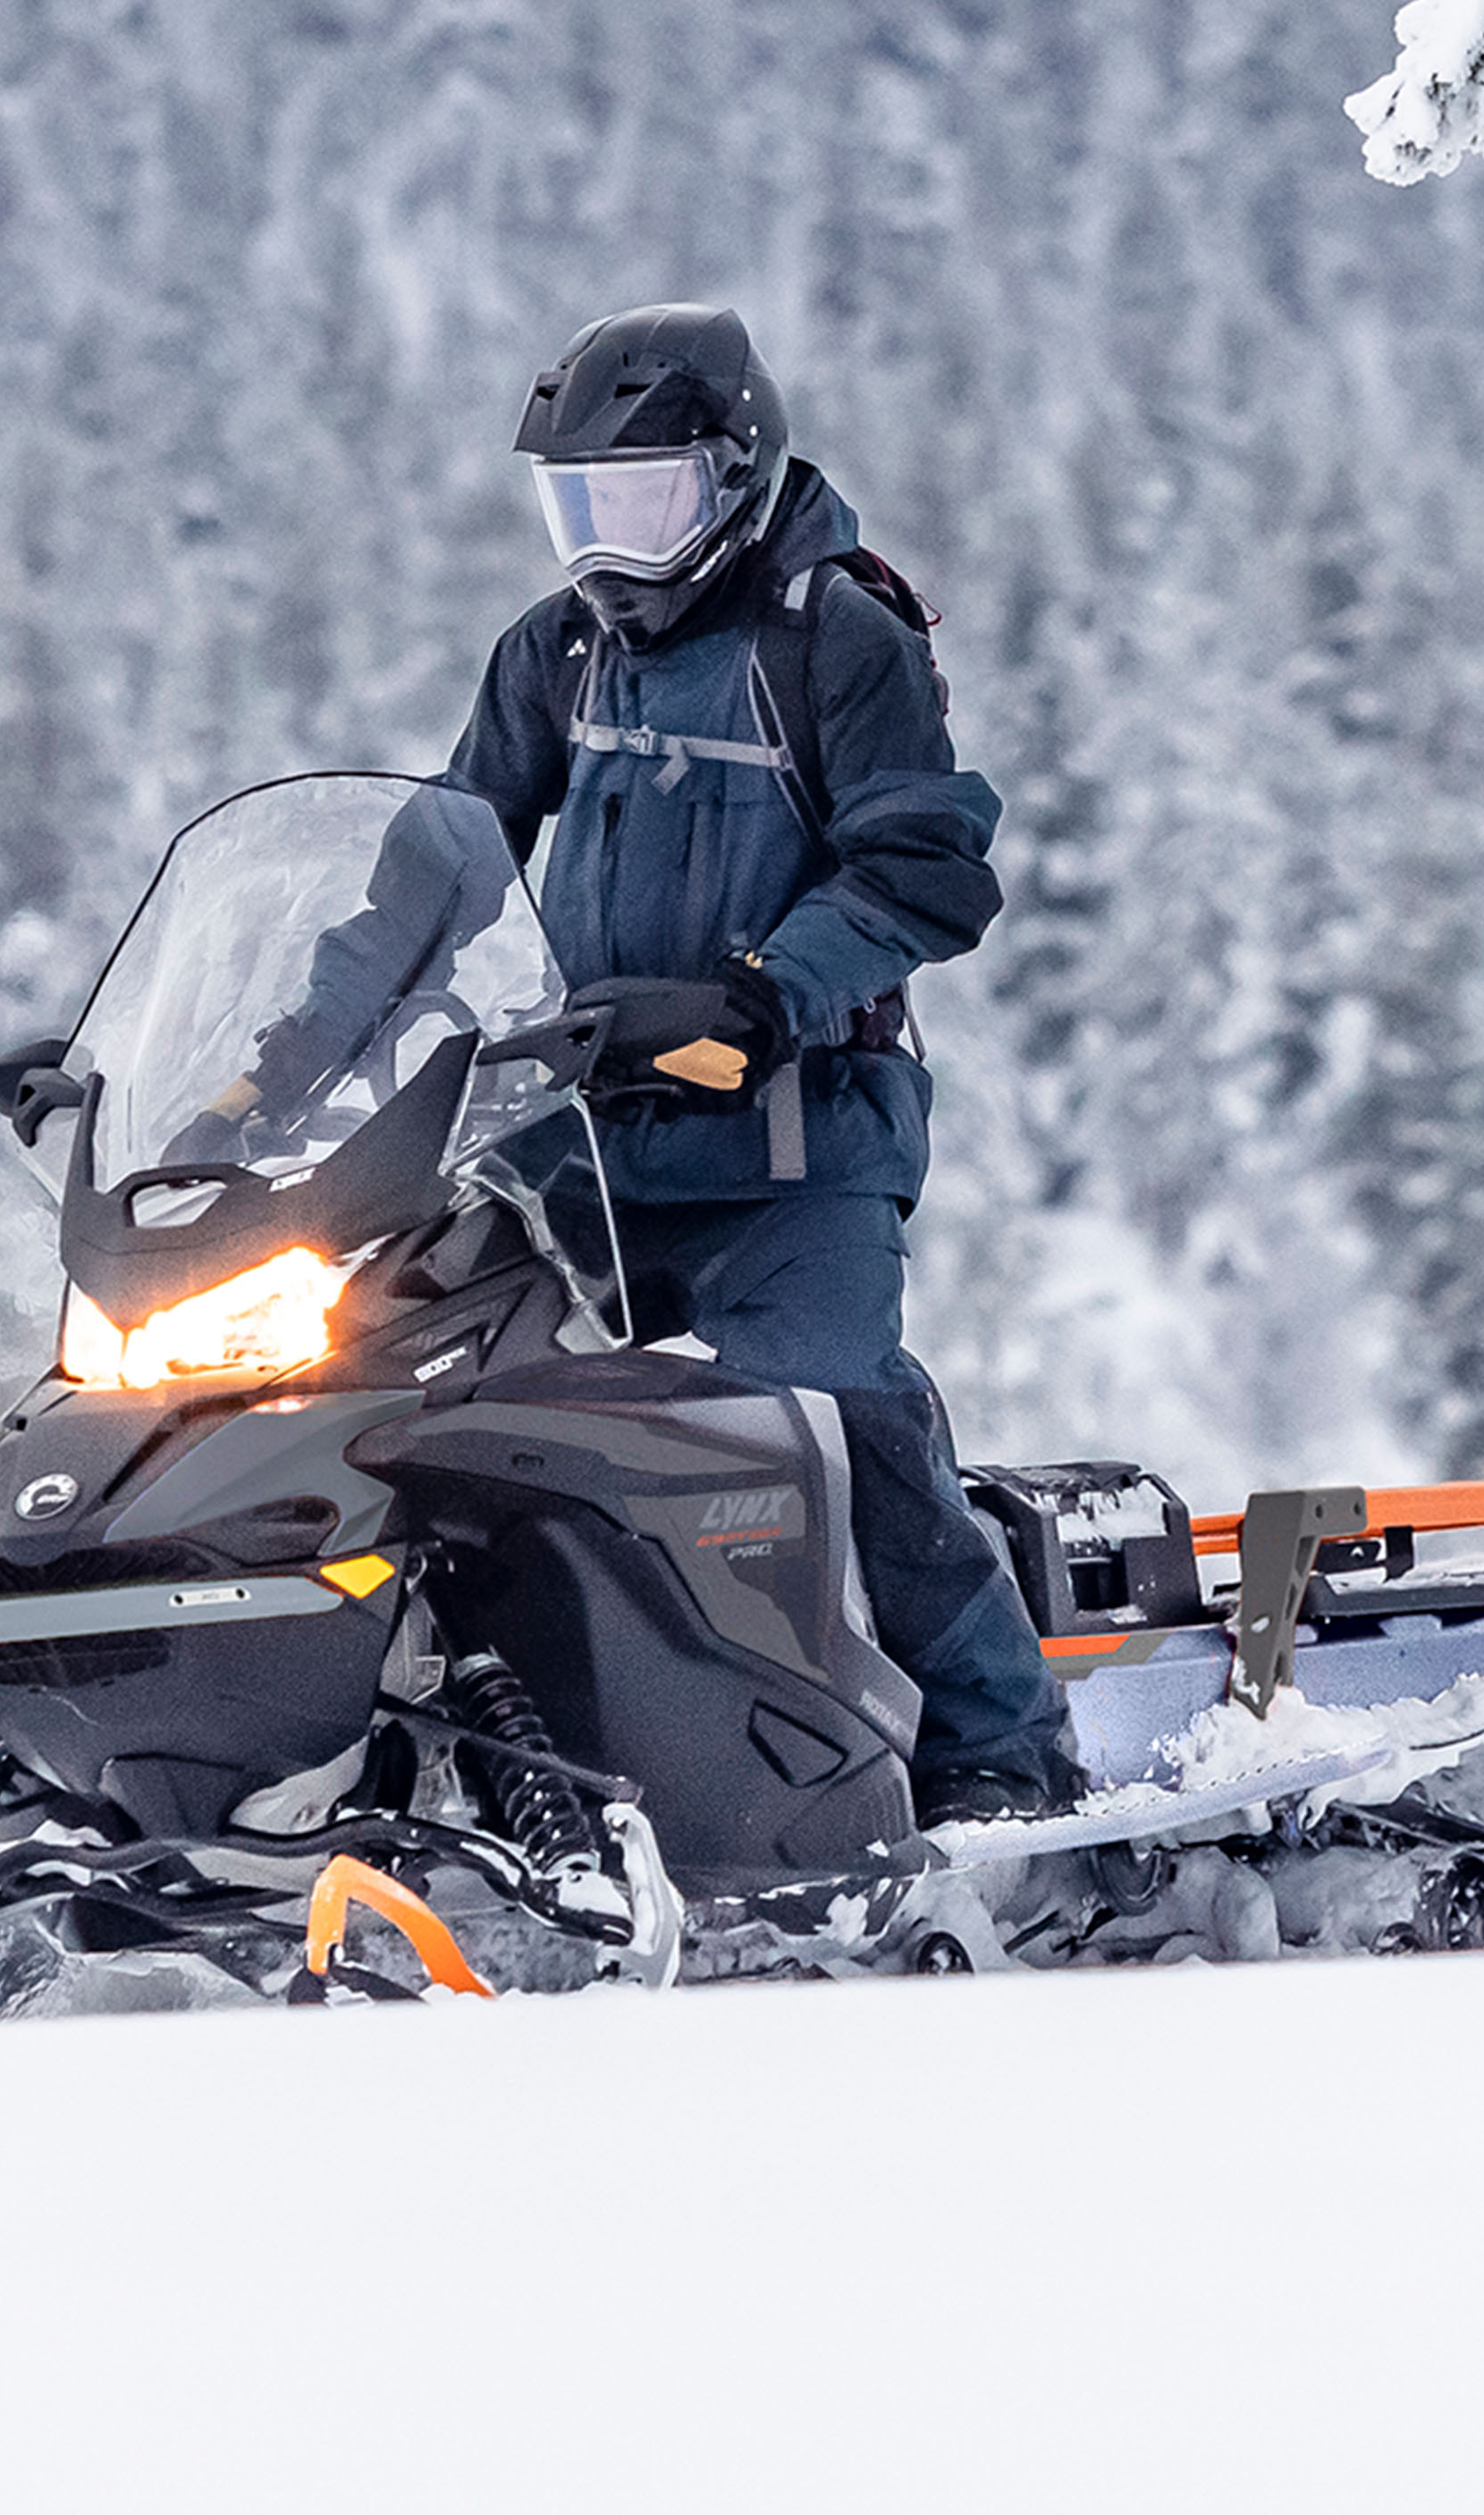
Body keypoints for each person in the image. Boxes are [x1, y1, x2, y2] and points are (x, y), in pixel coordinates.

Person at [442, 302, 1079, 1824]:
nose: (606, 552)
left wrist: (761, 998)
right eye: (576, 510)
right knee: (427, 1413)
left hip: (797, 1138)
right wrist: (300, 1032)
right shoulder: (558, 653)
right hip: (582, 1148)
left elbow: (926, 869)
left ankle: (1002, 1752)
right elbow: (445, 856)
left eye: (640, 505)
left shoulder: (834, 636)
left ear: (735, 475)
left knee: (829, 1417)